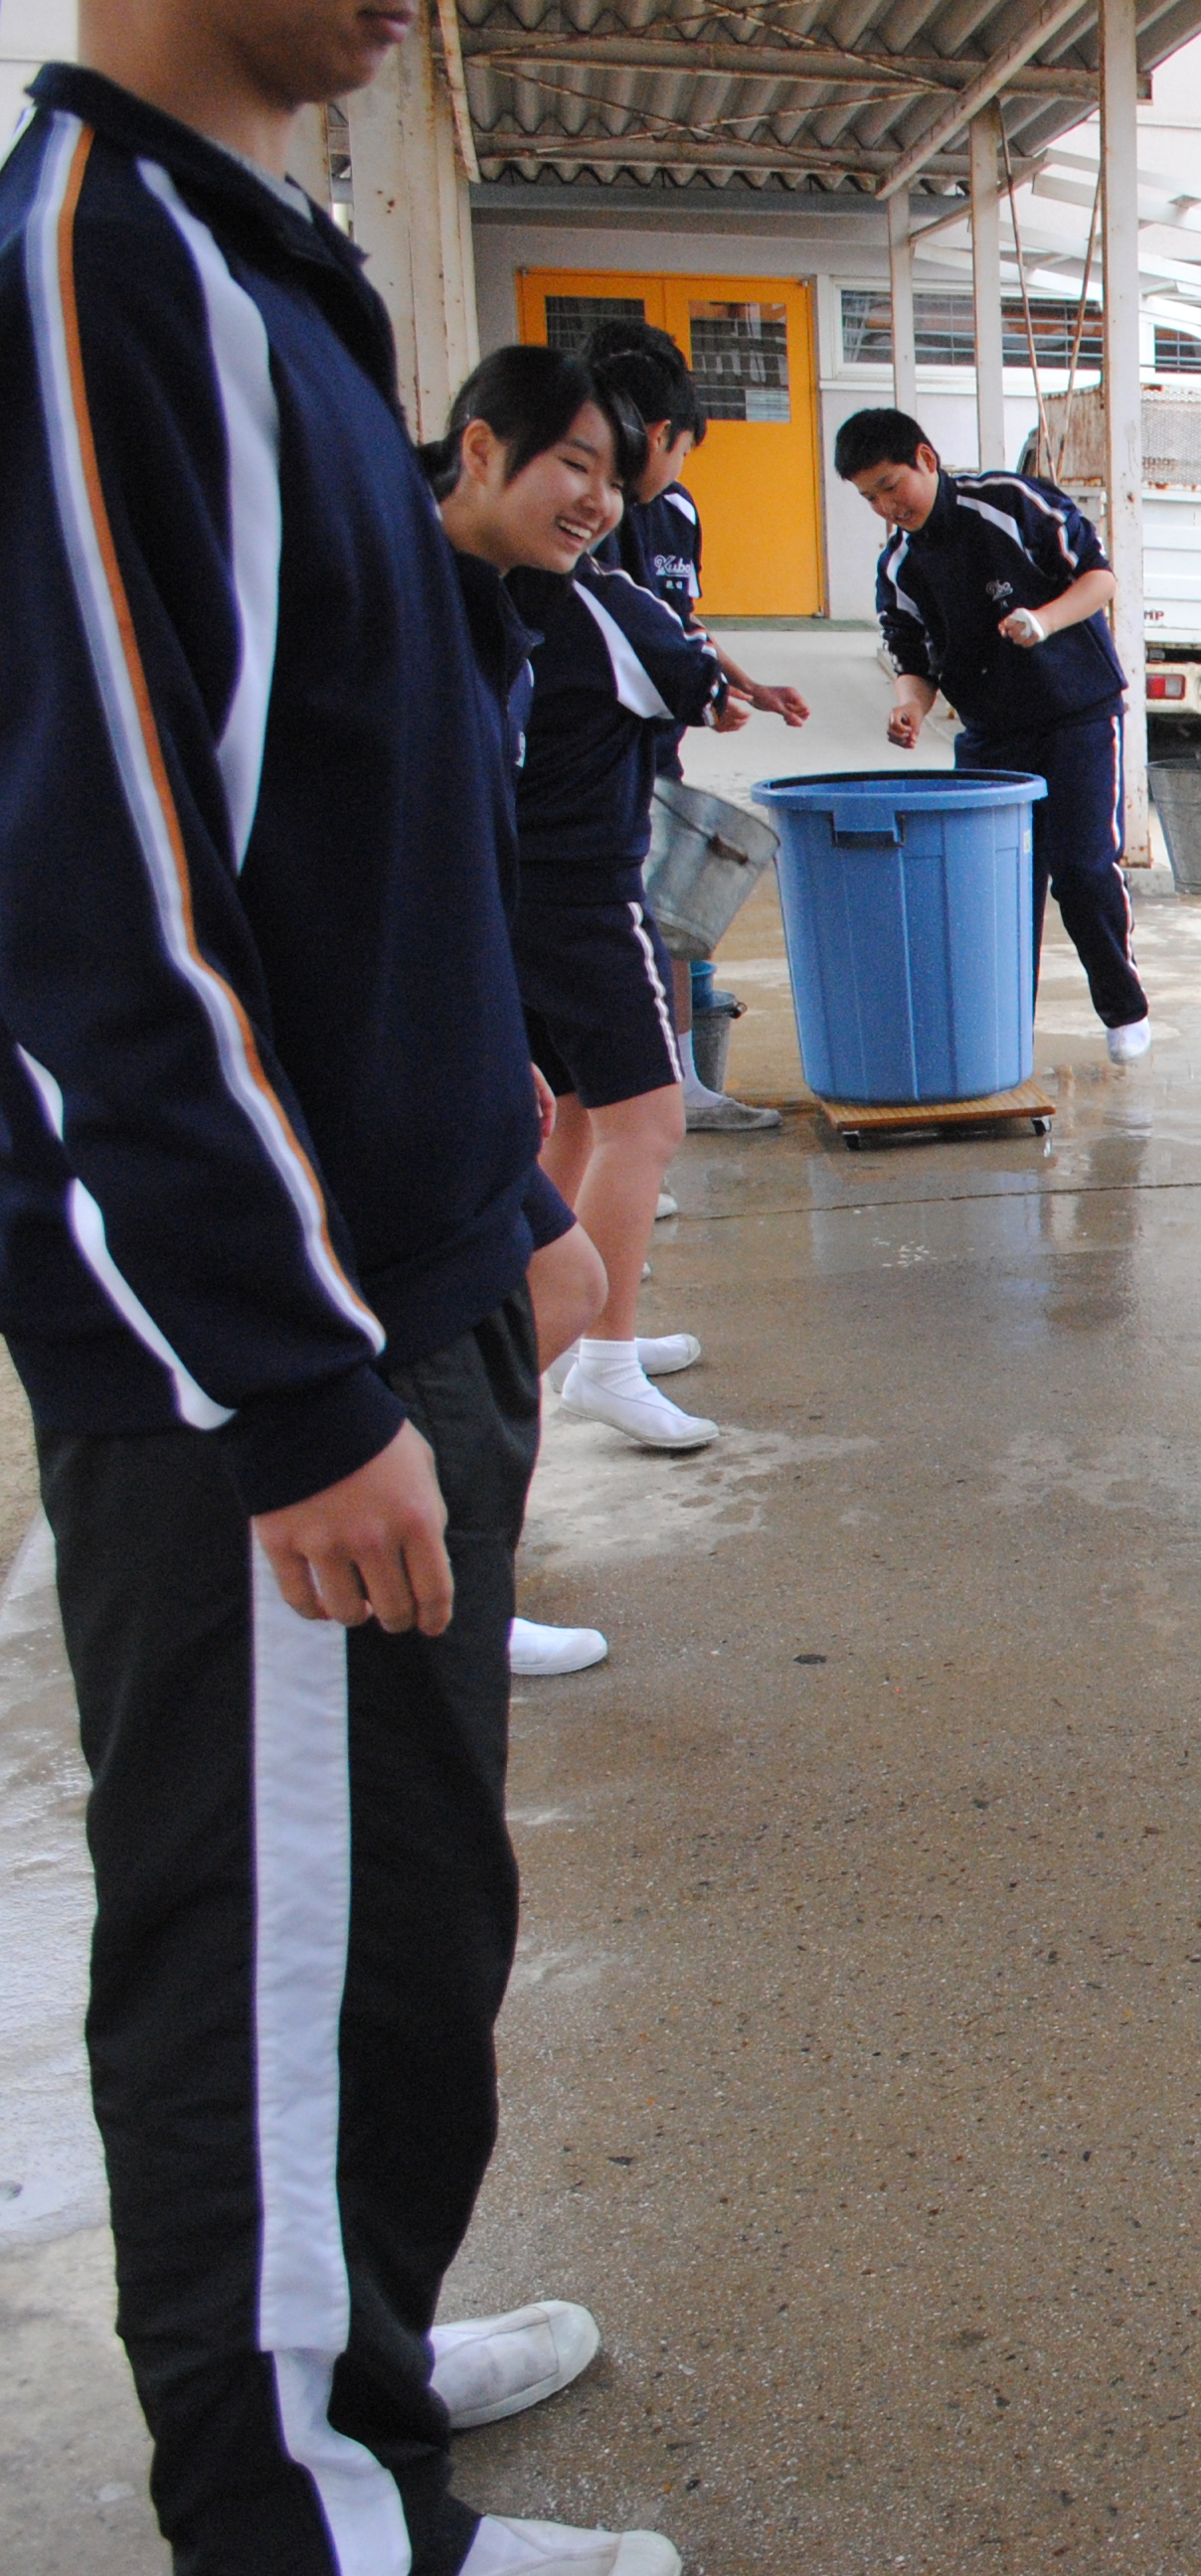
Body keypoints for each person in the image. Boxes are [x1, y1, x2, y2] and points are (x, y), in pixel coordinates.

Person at [1, 12, 674, 2572]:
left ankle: (356, 2370)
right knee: (270, 1963)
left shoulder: (282, 273)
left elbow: (339, 822)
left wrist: (489, 1175)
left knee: (399, 1928)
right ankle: (299, 2516)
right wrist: (290, 1387)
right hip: (264, 1347)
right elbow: (99, 905)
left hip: (405, 1277)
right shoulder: (97, 274)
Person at [435, 349, 733, 1460]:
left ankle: (570, 1322)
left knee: (565, 1116)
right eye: (578, 468)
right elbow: (691, 679)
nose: (600, 499)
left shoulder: (476, 592)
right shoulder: (591, 600)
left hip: (506, 896)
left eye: (607, 474)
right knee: (647, 1122)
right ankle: (602, 1351)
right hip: (581, 894)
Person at [838, 406, 1156, 1063]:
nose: (885, 505)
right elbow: (912, 658)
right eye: (869, 496)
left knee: (1081, 867)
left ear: (927, 459)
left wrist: (1042, 621)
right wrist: (912, 706)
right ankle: (1005, 1028)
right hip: (990, 734)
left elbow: (1098, 578)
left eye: (891, 484)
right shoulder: (899, 565)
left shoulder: (1009, 501)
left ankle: (1124, 1009)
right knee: (996, 886)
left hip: (1075, 714)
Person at [578, 318, 809, 1137]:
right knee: (617, 924)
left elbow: (679, 623)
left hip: (654, 753)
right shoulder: (590, 509)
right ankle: (638, 1108)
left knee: (668, 909)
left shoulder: (673, 509)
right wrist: (697, 681)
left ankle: (684, 1079)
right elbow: (625, 629)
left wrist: (743, 683)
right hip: (590, 759)